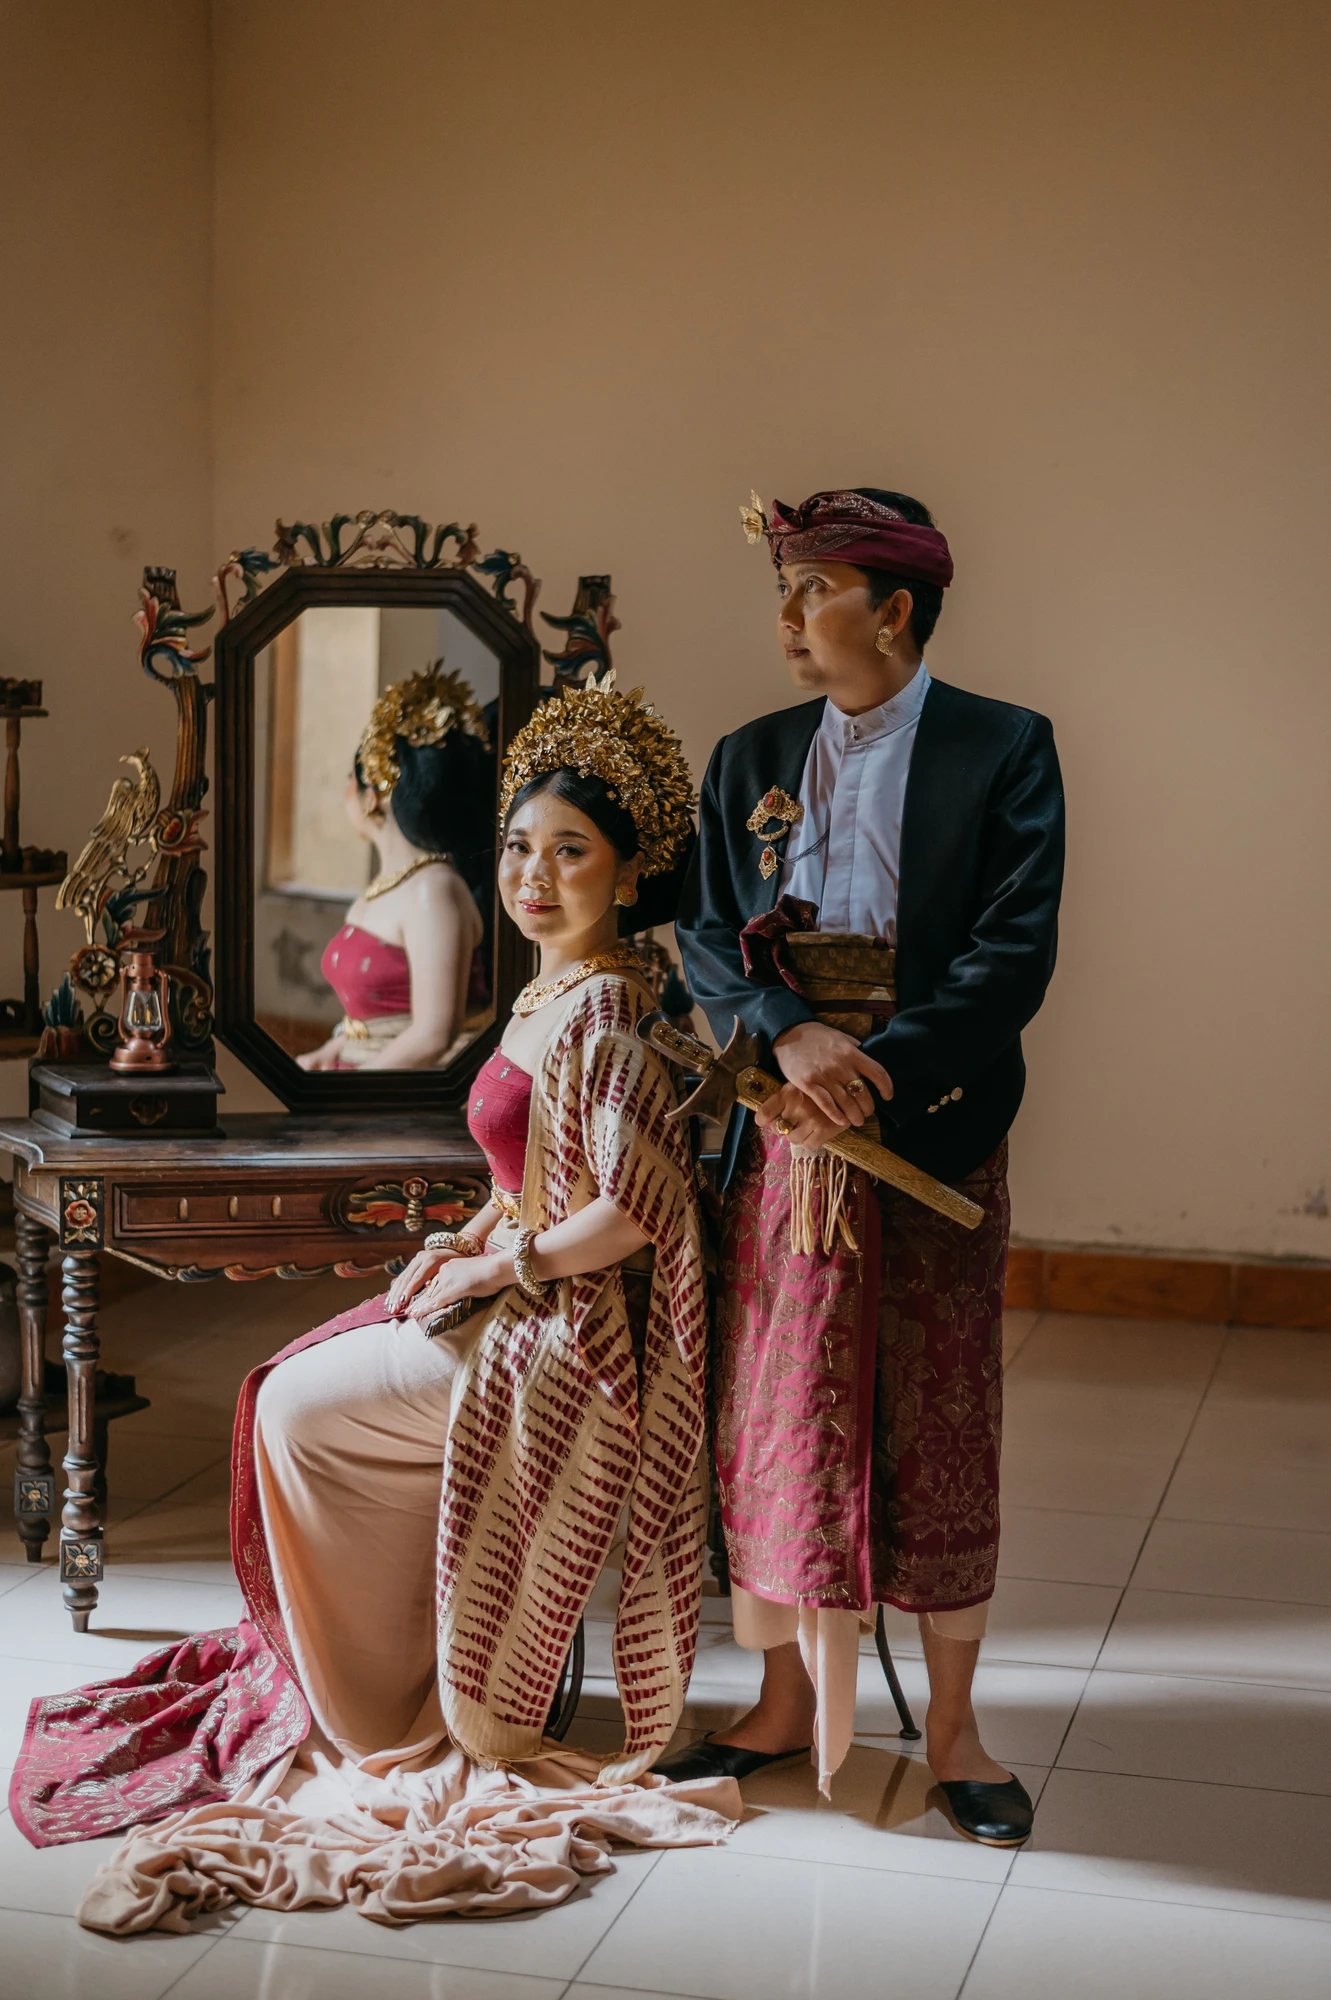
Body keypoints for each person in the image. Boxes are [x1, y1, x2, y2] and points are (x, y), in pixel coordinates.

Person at [12, 670, 740, 1931]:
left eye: (570, 850)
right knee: (290, 1389)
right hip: (519, 1286)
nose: (532, 874)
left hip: (566, 1335)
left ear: (629, 870)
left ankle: (384, 1705)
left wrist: (494, 1269)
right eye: (517, 845)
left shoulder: (610, 1010)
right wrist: (455, 1241)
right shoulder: (546, 990)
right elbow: (526, 1180)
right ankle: (365, 1674)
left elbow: (627, 1213)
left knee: (296, 1411)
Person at [665, 487, 1064, 1848]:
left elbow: (1010, 953)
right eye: (780, 591)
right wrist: (790, 1034)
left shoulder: (1004, 748)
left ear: (892, 609)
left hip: (929, 1116)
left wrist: (877, 1066)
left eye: (811, 589)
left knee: (938, 1411)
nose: (784, 618)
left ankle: (951, 1726)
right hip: (781, 1124)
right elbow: (707, 931)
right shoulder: (749, 757)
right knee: (776, 1411)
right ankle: (780, 1697)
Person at [298, 661, 492, 1072]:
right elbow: (372, 1019)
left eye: (350, 779)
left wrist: (345, 1097)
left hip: (402, 1091)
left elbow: (432, 1036)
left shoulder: (433, 890)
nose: (344, 792)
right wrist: (332, 1050)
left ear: (374, 795)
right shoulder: (389, 886)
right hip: (363, 1075)